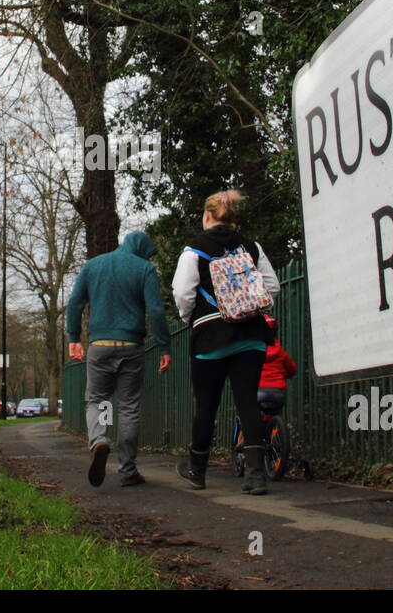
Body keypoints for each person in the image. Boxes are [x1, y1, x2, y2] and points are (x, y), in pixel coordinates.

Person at [172, 190, 280, 495]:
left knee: (206, 404)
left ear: (207, 216)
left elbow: (182, 293)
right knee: (248, 401)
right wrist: (249, 305)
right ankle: (256, 474)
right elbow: (272, 286)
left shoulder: (195, 249)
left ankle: (197, 470)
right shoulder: (252, 246)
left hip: (210, 336)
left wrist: (190, 318)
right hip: (251, 336)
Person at [66, 231, 172, 488]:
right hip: (131, 347)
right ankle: (127, 470)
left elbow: (75, 302)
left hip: (100, 346)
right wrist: (164, 346)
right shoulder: (144, 269)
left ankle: (99, 440)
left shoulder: (93, 265)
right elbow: (156, 311)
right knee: (128, 407)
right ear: (141, 250)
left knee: (99, 401)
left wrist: (73, 337)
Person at [257, 315, 297, 415]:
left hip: (259, 390)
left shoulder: (255, 352)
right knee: (275, 412)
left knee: (251, 412)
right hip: (278, 391)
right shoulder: (281, 352)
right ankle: (275, 427)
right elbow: (292, 369)